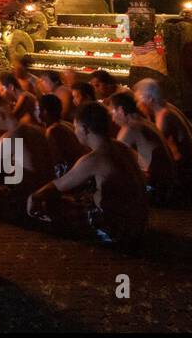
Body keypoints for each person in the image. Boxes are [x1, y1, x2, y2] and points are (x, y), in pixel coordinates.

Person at [27, 101, 149, 247]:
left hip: (119, 232)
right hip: (139, 225)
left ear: (84, 128)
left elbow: (58, 186)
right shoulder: (121, 147)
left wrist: (33, 197)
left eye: (75, 126)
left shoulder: (95, 158)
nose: (74, 130)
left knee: (51, 205)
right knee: (79, 199)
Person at [108, 91, 178, 204]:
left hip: (155, 191)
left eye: (112, 113)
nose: (112, 119)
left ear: (121, 110)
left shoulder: (130, 128)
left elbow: (114, 160)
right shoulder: (145, 123)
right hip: (167, 186)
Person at [135, 78, 192, 187]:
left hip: (187, 171)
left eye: (139, 100)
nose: (138, 105)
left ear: (149, 98)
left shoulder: (163, 115)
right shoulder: (166, 107)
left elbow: (156, 147)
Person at [35, 93, 87, 178]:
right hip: (81, 171)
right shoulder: (65, 124)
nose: (34, 111)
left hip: (75, 176)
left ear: (44, 111)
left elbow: (58, 163)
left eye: (36, 109)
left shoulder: (53, 131)